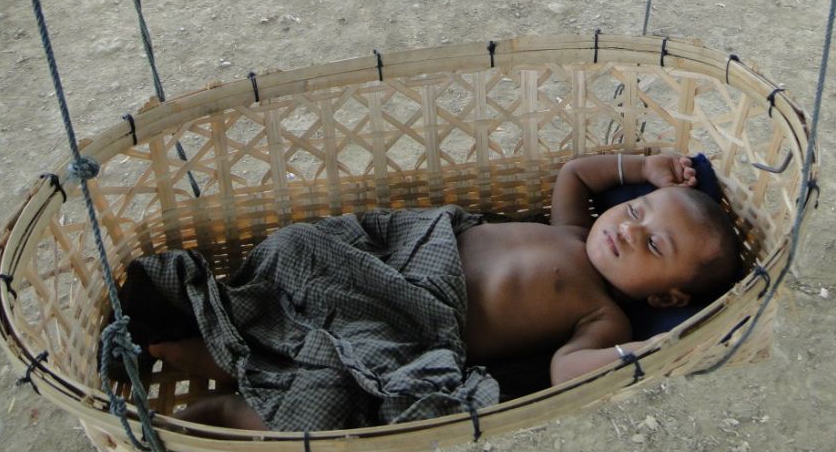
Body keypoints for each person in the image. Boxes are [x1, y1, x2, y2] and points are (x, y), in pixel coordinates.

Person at [107, 153, 740, 431]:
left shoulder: (604, 316)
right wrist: (641, 168)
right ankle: (194, 334)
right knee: (297, 249)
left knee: (333, 380)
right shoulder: (573, 227)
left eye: (654, 246)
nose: (628, 230)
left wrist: (639, 355)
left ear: (664, 300)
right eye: (635, 211)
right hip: (405, 256)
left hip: (417, 321)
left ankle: (221, 408)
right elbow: (577, 173)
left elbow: (564, 369)